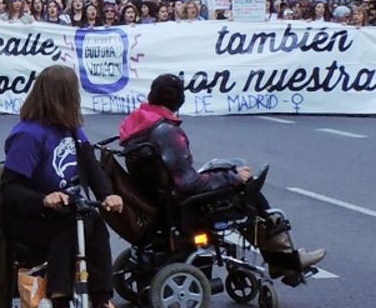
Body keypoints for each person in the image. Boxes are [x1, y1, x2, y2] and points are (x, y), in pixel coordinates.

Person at [120, 73, 326, 284]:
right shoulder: (166, 132)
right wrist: (232, 177)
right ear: (179, 100)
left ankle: (281, 260)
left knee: (228, 169)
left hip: (160, 197)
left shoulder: (139, 124)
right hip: (182, 207)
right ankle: (285, 261)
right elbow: (188, 183)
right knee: (249, 193)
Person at [0, 65, 117, 308]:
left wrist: (107, 195)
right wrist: (43, 199)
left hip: (68, 209)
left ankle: (101, 304)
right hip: (29, 214)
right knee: (65, 227)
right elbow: (10, 187)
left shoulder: (71, 129)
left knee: (95, 223)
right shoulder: (29, 134)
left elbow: (89, 162)